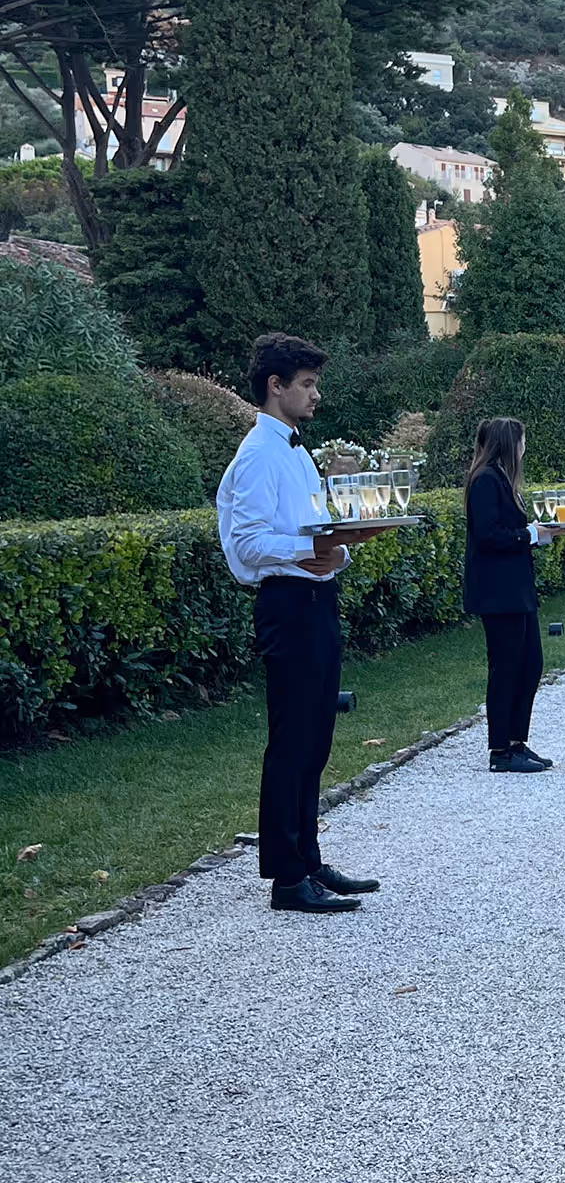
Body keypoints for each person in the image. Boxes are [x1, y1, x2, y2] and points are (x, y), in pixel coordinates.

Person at [215, 332, 380, 915]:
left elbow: (317, 532)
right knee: (291, 742)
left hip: (316, 601)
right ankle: (287, 878)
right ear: (275, 386)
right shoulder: (258, 455)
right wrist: (308, 553)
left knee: (315, 740)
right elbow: (248, 543)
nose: (316, 394)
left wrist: (342, 549)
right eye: (307, 384)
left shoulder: (296, 453)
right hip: (287, 605)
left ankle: (308, 859)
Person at [464, 418, 555, 774]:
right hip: (498, 592)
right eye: (522, 441)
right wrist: (529, 534)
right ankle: (500, 749)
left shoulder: (502, 479)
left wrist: (536, 535)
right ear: (510, 444)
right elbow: (488, 535)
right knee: (506, 667)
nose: (524, 447)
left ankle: (517, 740)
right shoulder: (486, 480)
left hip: (516, 589)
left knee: (529, 664)